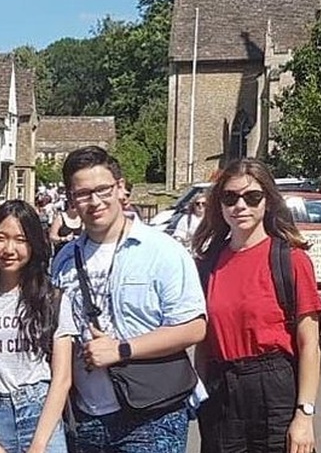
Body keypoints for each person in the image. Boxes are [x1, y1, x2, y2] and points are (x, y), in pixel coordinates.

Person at [51, 146, 206, 453]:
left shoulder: (162, 251)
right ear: (71, 199)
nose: (94, 201)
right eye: (83, 194)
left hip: (153, 414)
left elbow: (194, 328)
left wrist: (121, 350)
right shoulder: (65, 260)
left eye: (103, 189)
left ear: (120, 188)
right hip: (86, 417)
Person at [191, 158, 321, 453]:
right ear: (220, 204)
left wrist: (304, 415)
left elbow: (309, 345)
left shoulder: (290, 259)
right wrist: (198, 394)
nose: (241, 206)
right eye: (230, 197)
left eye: (252, 197)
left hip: (275, 388)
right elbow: (204, 341)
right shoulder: (208, 264)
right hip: (221, 389)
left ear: (268, 201)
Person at [0, 199, 74, 453]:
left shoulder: (53, 299)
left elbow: (62, 378)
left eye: (21, 240)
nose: (9, 248)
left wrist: (39, 444)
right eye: (1, 237)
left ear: (34, 245)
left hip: (40, 415)